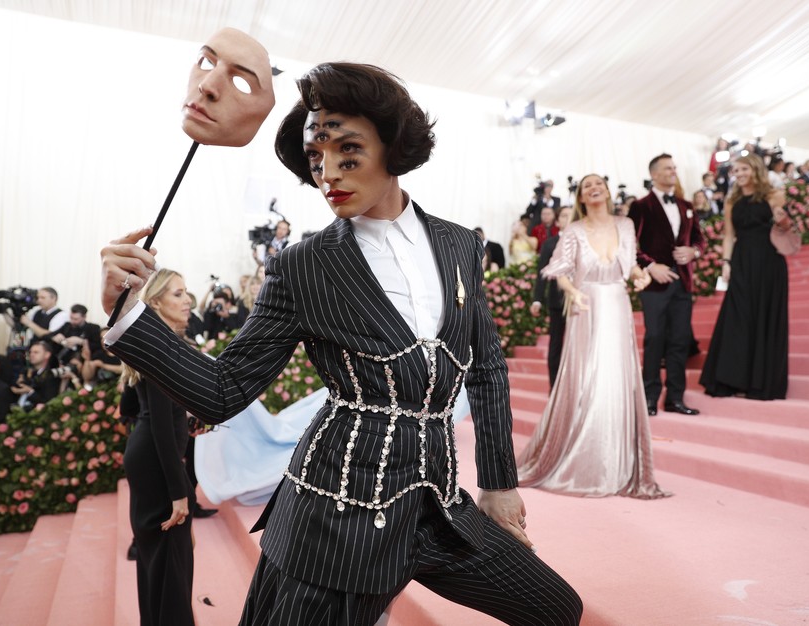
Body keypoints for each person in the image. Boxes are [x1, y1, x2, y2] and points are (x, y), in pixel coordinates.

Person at [101, 61, 581, 625]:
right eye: (315, 158)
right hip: (335, 516)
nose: (328, 173)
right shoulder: (302, 266)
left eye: (347, 151)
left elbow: (487, 369)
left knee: (556, 608)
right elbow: (224, 389)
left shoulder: (459, 247)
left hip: (439, 508)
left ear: (393, 146)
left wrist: (499, 482)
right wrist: (127, 314)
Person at [516, 174, 669, 500]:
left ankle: (616, 463)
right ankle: (583, 460)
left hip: (617, 305)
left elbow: (629, 267)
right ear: (582, 197)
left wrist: (641, 277)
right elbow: (557, 271)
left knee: (616, 379)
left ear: (608, 191)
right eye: (587, 186)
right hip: (585, 308)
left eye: (598, 183)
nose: (594, 187)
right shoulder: (572, 231)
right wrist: (575, 291)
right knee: (588, 379)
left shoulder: (626, 225)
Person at [121, 269, 196, 626]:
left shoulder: (147, 343)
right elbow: (163, 427)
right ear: (155, 302)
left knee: (158, 558)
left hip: (146, 452)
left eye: (187, 293)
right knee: (171, 559)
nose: (189, 301)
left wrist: (186, 420)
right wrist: (180, 494)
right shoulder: (163, 346)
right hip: (157, 456)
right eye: (179, 294)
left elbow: (130, 408)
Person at [699, 155, 790, 400]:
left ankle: (760, 382)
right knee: (738, 317)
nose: (738, 173)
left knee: (764, 316)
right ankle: (731, 379)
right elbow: (729, 235)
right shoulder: (732, 201)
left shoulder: (774, 196)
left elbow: (787, 229)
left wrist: (783, 220)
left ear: (755, 170)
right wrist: (726, 263)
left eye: (743, 168)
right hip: (741, 262)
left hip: (769, 263)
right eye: (735, 170)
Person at [629, 153, 705, 417]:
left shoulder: (686, 205)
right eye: (667, 167)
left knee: (679, 341)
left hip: (683, 283)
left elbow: (699, 239)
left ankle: (675, 398)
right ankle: (650, 398)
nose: (673, 170)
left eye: (674, 166)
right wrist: (651, 266)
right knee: (655, 339)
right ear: (654, 174)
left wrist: (692, 252)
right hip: (654, 285)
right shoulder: (640, 206)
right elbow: (630, 245)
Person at [530, 205, 573, 385]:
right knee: (556, 342)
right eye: (564, 215)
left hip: (582, 300)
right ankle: (554, 385)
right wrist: (537, 300)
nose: (568, 219)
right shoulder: (550, 243)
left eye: (572, 215)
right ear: (558, 221)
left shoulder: (586, 241)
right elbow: (542, 273)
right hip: (557, 300)